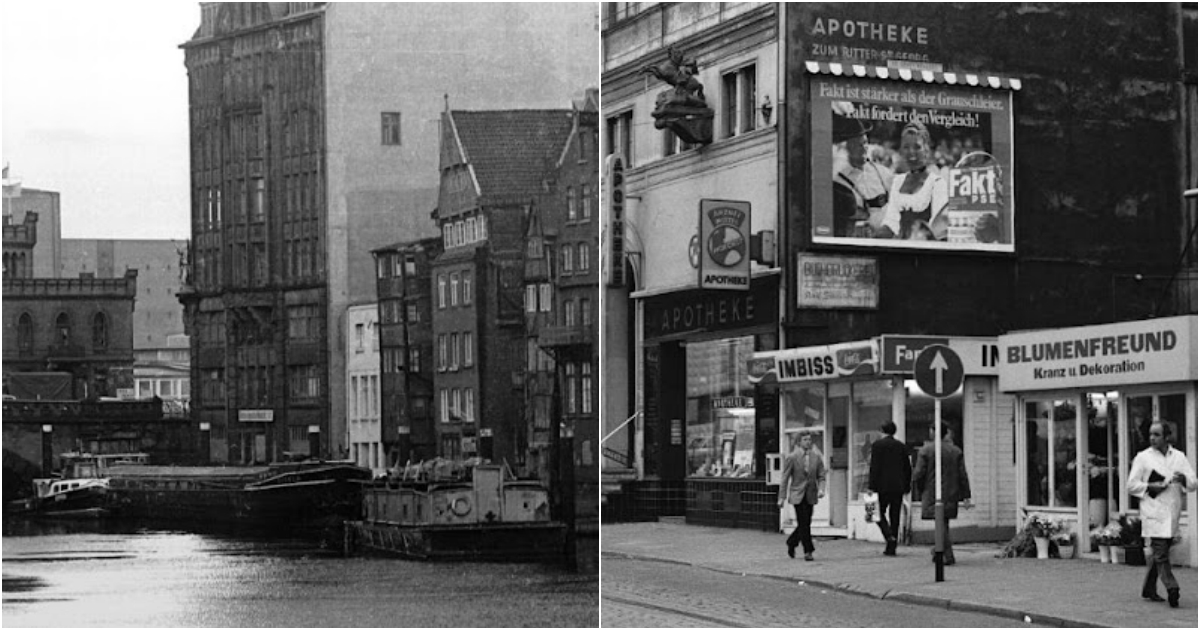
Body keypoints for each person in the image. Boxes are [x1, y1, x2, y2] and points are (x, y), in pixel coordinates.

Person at [1126, 421, 1197, 608]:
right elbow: (1131, 485)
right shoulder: (1143, 457)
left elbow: (1193, 483)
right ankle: (1172, 587)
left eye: (1156, 435)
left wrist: (1183, 479)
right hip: (1153, 512)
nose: (1152, 438)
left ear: (1167, 437)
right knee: (1161, 555)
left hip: (1172, 512)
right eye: (1150, 434)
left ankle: (1148, 588)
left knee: (1161, 553)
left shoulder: (1179, 457)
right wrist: (1150, 486)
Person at [873, 120, 949, 241]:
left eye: (917, 147)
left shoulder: (937, 184)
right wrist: (874, 234)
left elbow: (940, 233)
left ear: (927, 149)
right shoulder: (898, 181)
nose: (911, 153)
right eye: (906, 147)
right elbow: (891, 223)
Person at [912, 424, 970, 565]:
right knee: (944, 522)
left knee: (940, 522)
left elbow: (919, 473)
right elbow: (962, 474)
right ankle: (938, 551)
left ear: (933, 432)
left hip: (932, 491)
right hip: (951, 491)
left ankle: (946, 554)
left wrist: (920, 490)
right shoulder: (955, 451)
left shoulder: (926, 450)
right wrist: (966, 494)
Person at [831, 111, 894, 237]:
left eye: (865, 142)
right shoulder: (838, 182)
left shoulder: (883, 172)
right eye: (858, 144)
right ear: (846, 147)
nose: (864, 147)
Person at [777, 432, 826, 561]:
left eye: (809, 439)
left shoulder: (816, 457)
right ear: (799, 442)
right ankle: (808, 551)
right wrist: (781, 497)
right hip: (797, 493)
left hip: (810, 493)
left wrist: (821, 489)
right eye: (805, 439)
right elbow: (785, 478)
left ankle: (792, 541)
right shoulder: (792, 457)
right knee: (803, 522)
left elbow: (821, 476)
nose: (808, 442)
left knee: (806, 522)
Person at [868, 420, 912, 556]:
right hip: (898, 486)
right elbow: (907, 468)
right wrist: (906, 485)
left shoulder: (877, 446)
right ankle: (892, 547)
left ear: (882, 430)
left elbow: (874, 467)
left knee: (875, 513)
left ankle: (889, 536)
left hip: (881, 486)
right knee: (895, 515)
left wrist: (871, 486)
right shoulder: (901, 446)